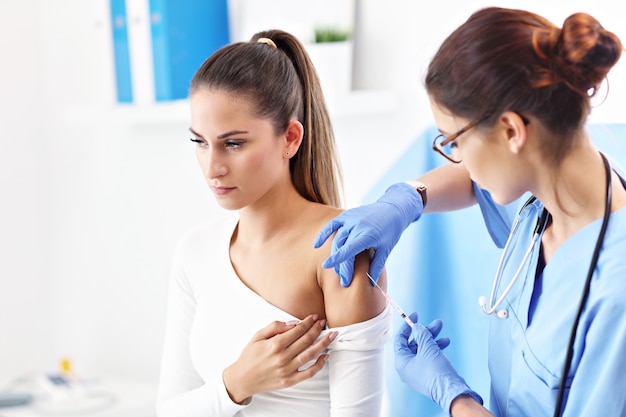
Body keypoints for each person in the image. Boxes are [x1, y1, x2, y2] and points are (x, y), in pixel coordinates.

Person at [314, 7, 626, 417]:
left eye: (453, 142)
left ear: (512, 131)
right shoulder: (546, 198)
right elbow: (473, 180)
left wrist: (454, 398)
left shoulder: (614, 292)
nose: (456, 159)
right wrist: (407, 199)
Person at [156, 29, 393, 417]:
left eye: (234, 143)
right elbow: (169, 410)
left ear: (290, 139)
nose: (212, 167)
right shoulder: (195, 251)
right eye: (200, 142)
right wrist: (237, 383)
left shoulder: (340, 250)